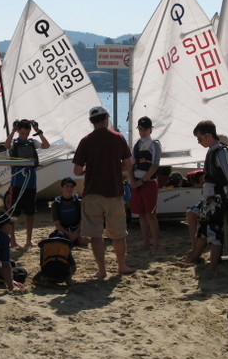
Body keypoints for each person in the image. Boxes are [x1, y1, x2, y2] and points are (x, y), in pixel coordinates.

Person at [72, 106, 134, 278]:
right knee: (118, 234)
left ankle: (101, 270)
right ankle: (121, 266)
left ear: (91, 121)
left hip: (93, 192)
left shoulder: (86, 141)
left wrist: (89, 168)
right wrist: (114, 165)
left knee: (95, 235)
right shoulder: (118, 137)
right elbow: (127, 165)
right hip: (114, 192)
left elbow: (77, 170)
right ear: (106, 117)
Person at [183, 120, 228, 271]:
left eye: (199, 138)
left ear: (208, 135)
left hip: (217, 199)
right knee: (203, 230)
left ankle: (213, 266)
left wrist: (225, 200)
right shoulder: (212, 151)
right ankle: (196, 257)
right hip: (210, 198)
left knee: (214, 233)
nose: (199, 142)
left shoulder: (222, 153)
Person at [4, 118, 50, 247]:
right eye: (22, 133)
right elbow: (6, 146)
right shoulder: (14, 142)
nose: (24, 136)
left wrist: (38, 131)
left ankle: (28, 240)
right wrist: (13, 132)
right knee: (13, 213)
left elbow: (46, 145)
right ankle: (13, 240)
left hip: (30, 183)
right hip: (17, 183)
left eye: (26, 133)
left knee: (30, 213)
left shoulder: (32, 142)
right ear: (19, 131)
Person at [130, 116, 161, 253]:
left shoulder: (154, 144)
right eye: (140, 129)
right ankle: (146, 243)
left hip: (149, 183)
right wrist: (132, 181)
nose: (142, 131)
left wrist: (142, 181)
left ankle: (155, 244)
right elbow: (131, 165)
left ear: (150, 129)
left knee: (151, 215)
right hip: (137, 183)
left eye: (145, 129)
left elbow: (155, 165)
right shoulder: (136, 145)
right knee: (141, 215)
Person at [50, 177, 90, 246]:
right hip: (63, 230)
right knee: (57, 240)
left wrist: (75, 233)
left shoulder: (78, 202)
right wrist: (68, 234)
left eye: (71, 187)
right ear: (62, 188)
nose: (69, 189)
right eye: (67, 186)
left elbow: (82, 222)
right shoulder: (56, 203)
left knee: (85, 240)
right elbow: (57, 225)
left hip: (76, 229)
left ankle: (73, 242)